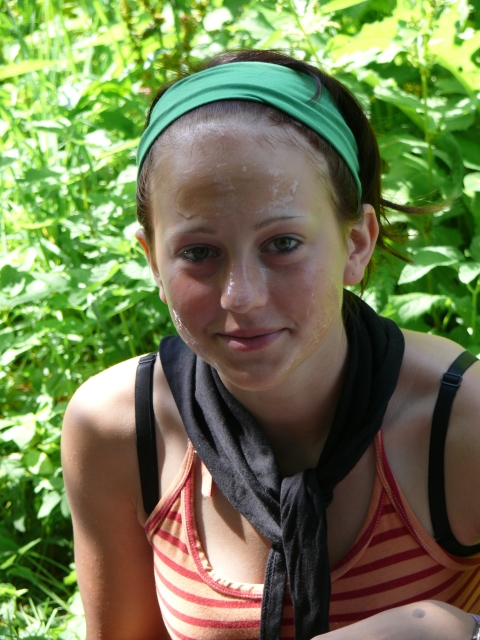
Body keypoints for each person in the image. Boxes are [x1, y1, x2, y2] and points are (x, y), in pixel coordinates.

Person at [61, 50, 480, 640]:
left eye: (282, 243)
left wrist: (451, 630)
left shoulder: (460, 423)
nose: (242, 296)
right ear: (152, 259)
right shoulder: (121, 432)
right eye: (198, 252)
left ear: (357, 243)